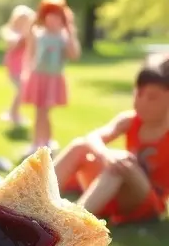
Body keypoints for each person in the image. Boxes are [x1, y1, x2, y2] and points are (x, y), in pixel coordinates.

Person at [53, 62, 169, 223]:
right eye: (138, 94)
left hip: (146, 201)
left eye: (151, 97)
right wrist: (104, 154)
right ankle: (33, 198)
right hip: (114, 192)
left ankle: (74, 224)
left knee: (121, 163)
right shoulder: (129, 120)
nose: (140, 102)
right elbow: (93, 137)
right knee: (80, 146)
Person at [22, 0, 81, 153]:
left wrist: (71, 32)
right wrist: (26, 72)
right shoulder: (38, 34)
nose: (52, 20)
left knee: (44, 111)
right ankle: (40, 142)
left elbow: (74, 54)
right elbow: (30, 53)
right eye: (49, 16)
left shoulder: (63, 37)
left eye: (56, 16)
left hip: (53, 78)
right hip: (38, 77)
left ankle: (44, 142)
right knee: (40, 111)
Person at [0, 5, 35, 128]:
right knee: (21, 89)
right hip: (14, 67)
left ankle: (14, 113)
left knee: (21, 90)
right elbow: (12, 44)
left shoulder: (29, 34)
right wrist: (23, 37)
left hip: (24, 67)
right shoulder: (11, 32)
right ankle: (13, 114)